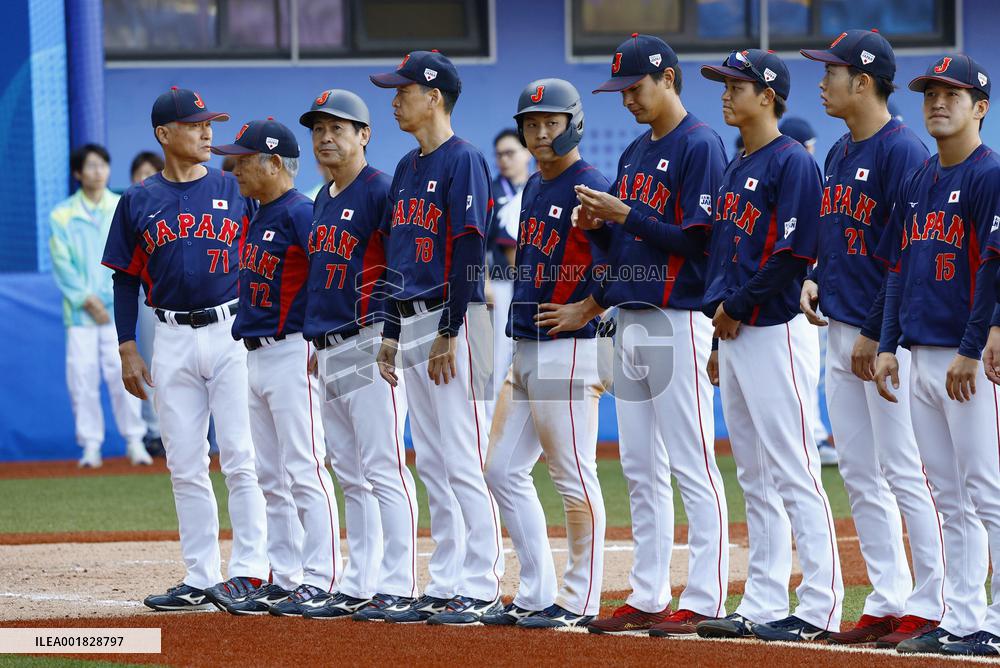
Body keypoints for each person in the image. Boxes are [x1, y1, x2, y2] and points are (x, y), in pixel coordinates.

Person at [554, 33, 731, 636]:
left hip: (678, 317)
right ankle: (650, 592)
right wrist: (599, 225)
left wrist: (624, 213)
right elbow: (628, 247)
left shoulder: (700, 144)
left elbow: (698, 243)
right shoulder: (632, 153)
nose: (626, 98)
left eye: (635, 87)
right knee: (638, 465)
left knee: (691, 462)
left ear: (668, 80)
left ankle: (705, 596)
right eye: (621, 89)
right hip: (629, 317)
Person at [798, 29, 945, 647]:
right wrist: (811, 277)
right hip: (839, 329)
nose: (822, 81)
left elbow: (905, 255)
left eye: (831, 72)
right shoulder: (837, 151)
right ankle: (887, 598)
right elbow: (838, 238)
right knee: (860, 471)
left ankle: (932, 601)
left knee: (906, 470)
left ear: (863, 81)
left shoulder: (901, 152)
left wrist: (879, 335)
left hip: (887, 340)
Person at [696, 50, 843, 642]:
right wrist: (717, 327)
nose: (726, 93)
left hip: (774, 330)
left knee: (794, 469)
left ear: (769, 93)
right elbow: (722, 254)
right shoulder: (738, 164)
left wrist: (737, 307)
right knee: (753, 474)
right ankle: (761, 600)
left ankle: (820, 607)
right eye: (725, 84)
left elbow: (793, 254)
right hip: (734, 334)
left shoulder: (792, 162)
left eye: (737, 84)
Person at [102, 87, 268, 611]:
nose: (207, 132)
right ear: (163, 135)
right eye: (196, 124)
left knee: (241, 456)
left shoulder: (233, 184)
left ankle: (251, 572)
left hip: (232, 331)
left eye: (208, 123)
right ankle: (200, 577)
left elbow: (272, 251)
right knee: (185, 463)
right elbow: (125, 280)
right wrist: (127, 345)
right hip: (170, 336)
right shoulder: (137, 200)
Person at [370, 50, 504, 624]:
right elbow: (400, 255)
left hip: (457, 319)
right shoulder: (405, 167)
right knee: (431, 458)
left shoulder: (464, 159)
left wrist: (450, 329)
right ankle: (447, 579)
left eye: (403, 90)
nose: (395, 99)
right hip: (415, 316)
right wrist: (392, 332)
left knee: (464, 454)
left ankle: (481, 583)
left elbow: (470, 248)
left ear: (434, 96)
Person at [874, 55, 1000, 657]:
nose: (938, 102)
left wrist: (973, 349)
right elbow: (899, 266)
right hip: (920, 355)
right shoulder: (920, 178)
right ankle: (964, 617)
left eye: (953, 93)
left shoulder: (989, 173)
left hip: (964, 358)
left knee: (988, 490)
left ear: (981, 107)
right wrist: (889, 342)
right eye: (930, 93)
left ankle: (996, 620)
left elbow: (995, 269)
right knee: (947, 494)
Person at [478, 78, 610, 629]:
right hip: (527, 346)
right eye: (531, 123)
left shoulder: (591, 185)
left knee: (573, 476)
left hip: (571, 350)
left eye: (549, 122)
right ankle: (537, 591)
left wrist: (588, 307)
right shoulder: (533, 186)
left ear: (573, 123)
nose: (539, 132)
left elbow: (624, 259)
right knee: (500, 469)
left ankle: (581, 601)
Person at [205, 117, 342, 617]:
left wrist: (316, 340)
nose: (234, 168)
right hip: (254, 354)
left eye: (243, 160)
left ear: (273, 163)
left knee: (305, 468)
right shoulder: (258, 211)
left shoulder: (300, 212)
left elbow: (329, 277)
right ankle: (284, 577)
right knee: (270, 475)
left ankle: (323, 577)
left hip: (291, 352)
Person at [295, 90, 420, 621]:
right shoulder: (322, 196)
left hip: (370, 341)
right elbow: (322, 278)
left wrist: (392, 336)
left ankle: (400, 582)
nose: (326, 138)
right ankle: (359, 581)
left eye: (338, 128)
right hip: (329, 343)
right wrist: (313, 339)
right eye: (319, 129)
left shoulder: (380, 190)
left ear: (364, 134)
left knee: (384, 467)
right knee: (349, 470)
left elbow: (399, 268)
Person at [50, 144, 149, 469]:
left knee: (124, 376)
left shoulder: (121, 204)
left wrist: (108, 301)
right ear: (78, 173)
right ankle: (91, 446)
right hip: (80, 315)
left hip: (114, 311)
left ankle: (135, 441)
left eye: (103, 165)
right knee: (82, 378)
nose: (97, 172)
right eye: (90, 166)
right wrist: (86, 300)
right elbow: (62, 264)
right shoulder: (62, 214)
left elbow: (130, 255)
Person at [778, 116, 836, 465]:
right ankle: (811, 436)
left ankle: (813, 435)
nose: (811, 153)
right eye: (808, 147)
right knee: (803, 377)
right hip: (794, 295)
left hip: (810, 287)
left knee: (808, 375)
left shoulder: (805, 178)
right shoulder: (794, 177)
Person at [485, 128, 532, 422]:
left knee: (532, 359)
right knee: (495, 360)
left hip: (534, 288)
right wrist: (484, 281)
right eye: (499, 154)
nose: (504, 159)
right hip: (500, 285)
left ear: (527, 153)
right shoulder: (491, 191)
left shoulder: (539, 187)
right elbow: (476, 241)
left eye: (511, 152)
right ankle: (488, 429)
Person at [129, 151, 166, 458]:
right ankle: (155, 432)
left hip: (183, 301)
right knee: (152, 362)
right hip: (147, 295)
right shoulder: (130, 206)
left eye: (150, 172)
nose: (145, 178)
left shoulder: (173, 202)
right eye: (140, 173)